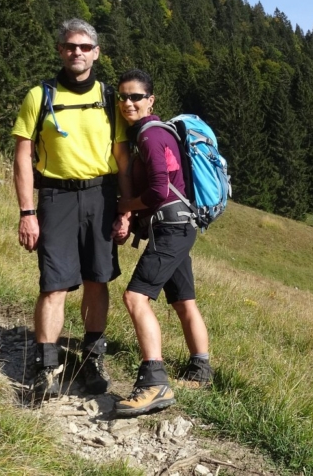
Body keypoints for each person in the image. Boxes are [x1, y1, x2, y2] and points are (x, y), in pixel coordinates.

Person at [11, 18, 130, 400]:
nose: (76, 52)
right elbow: (23, 156)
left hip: (101, 195)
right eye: (69, 46)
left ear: (96, 53)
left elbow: (122, 157)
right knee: (54, 283)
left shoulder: (112, 98)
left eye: (84, 47)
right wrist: (27, 212)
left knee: (98, 279)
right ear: (60, 51)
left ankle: (91, 358)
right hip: (55, 197)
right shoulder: (39, 95)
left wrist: (125, 209)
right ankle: (45, 366)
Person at [111, 69, 213, 418]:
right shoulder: (152, 133)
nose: (128, 103)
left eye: (136, 97)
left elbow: (157, 190)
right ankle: (201, 373)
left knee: (134, 297)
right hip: (179, 227)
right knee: (184, 301)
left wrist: (125, 206)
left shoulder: (151, 137)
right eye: (122, 96)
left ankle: (154, 381)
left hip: (170, 229)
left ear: (150, 100)